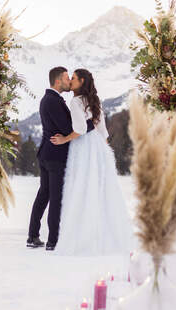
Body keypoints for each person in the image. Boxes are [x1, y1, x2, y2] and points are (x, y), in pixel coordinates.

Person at [51, 68, 133, 256]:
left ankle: (84, 236)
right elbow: (103, 131)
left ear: (81, 82)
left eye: (73, 78)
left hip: (83, 147)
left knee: (83, 187)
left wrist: (63, 139)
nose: (70, 81)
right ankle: (105, 235)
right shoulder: (94, 101)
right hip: (97, 146)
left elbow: (79, 129)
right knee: (100, 189)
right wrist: (103, 153)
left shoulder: (76, 101)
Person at [27, 67, 94, 250]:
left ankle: (33, 236)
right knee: (55, 199)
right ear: (58, 81)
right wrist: (90, 123)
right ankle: (53, 241)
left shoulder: (51, 99)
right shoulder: (52, 101)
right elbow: (67, 128)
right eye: (66, 78)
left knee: (44, 195)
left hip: (48, 153)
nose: (68, 81)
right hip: (55, 156)